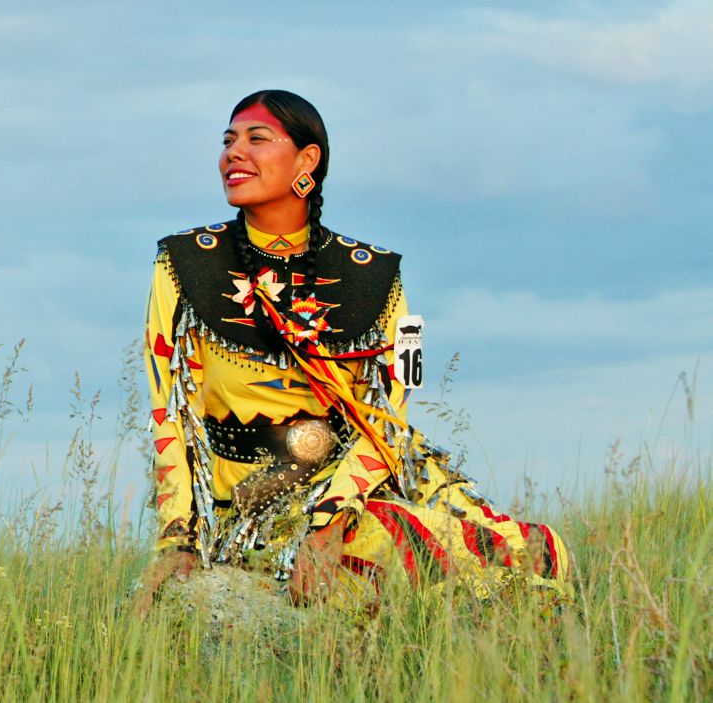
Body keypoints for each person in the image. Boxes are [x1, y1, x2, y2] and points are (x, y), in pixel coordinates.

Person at [133, 89, 572, 611]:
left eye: (257, 138)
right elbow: (170, 409)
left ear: (307, 160)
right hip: (256, 498)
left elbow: (393, 410)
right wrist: (176, 537)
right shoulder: (184, 263)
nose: (233, 153)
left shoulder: (378, 274)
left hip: (360, 479)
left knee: (523, 552)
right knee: (389, 540)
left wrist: (330, 520)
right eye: (228, 141)